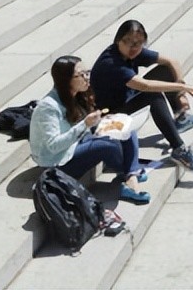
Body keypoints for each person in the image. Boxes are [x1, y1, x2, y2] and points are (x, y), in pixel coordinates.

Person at [30, 55, 150, 204]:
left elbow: (81, 127)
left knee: (127, 128)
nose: (87, 78)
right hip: (59, 162)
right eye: (81, 75)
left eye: (87, 72)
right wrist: (85, 124)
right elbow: (53, 146)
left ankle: (131, 174)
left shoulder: (77, 95)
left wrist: (101, 122)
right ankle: (129, 175)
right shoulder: (48, 107)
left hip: (77, 144)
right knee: (107, 146)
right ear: (66, 79)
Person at [90, 20, 193, 171]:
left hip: (126, 99)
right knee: (153, 95)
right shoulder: (112, 62)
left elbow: (171, 61)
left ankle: (180, 117)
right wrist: (183, 87)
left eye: (139, 43)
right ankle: (179, 149)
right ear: (118, 40)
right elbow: (144, 86)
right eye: (128, 42)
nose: (134, 47)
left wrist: (180, 94)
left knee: (166, 70)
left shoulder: (133, 52)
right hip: (109, 115)